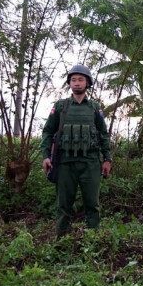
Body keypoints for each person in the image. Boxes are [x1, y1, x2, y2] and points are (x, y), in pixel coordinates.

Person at [40, 65, 112, 237]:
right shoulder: (60, 107)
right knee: (63, 205)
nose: (77, 83)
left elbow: (103, 134)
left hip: (90, 163)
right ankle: (61, 242)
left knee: (92, 205)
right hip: (65, 163)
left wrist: (107, 159)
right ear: (69, 83)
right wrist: (45, 157)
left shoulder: (94, 108)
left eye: (80, 80)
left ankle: (93, 242)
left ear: (87, 83)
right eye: (73, 80)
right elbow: (48, 132)